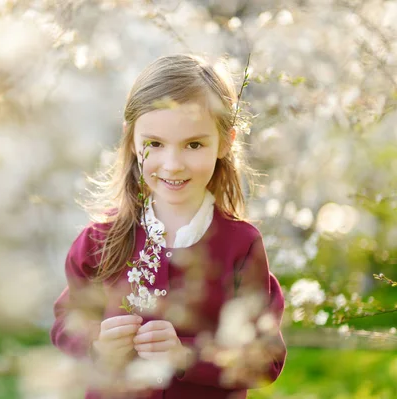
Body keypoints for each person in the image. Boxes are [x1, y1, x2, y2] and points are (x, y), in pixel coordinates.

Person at [50, 54, 287, 399]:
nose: (172, 164)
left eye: (194, 144)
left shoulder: (241, 245)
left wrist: (187, 356)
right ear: (132, 140)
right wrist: (97, 343)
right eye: (155, 144)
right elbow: (68, 320)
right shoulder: (101, 239)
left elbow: (265, 359)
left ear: (225, 142)